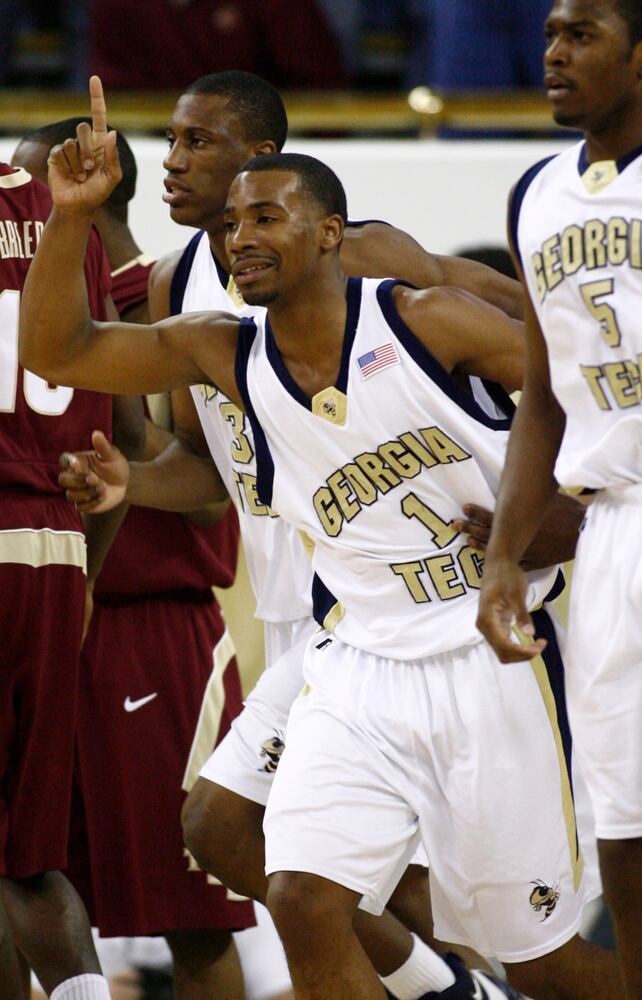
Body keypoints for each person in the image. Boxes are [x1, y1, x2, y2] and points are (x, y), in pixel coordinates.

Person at [19, 79, 613, 1000]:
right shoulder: (217, 338)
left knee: (540, 958)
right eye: (232, 226)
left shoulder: (415, 311)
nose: (239, 237)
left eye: (263, 217)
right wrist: (68, 220)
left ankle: (463, 983)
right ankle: (446, 989)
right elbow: (61, 351)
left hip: (485, 646)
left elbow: (567, 379)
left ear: (329, 231)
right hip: (351, 647)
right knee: (288, 884)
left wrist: (577, 508)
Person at [12, 120, 257, 1000]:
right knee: (24, 875)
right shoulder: (43, 308)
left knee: (191, 915)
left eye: (33, 183)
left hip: (153, 629)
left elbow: (208, 483)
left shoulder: (169, 303)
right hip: (51, 621)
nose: (22, 204)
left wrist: (110, 462)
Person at [476, 2, 642, 998]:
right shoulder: (536, 194)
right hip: (614, 529)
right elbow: (542, 392)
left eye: (582, 35)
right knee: (621, 810)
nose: (553, 54)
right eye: (549, 34)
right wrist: (504, 554)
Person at [0, 149, 144, 1000]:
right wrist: (85, 575)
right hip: (51, 545)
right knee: (26, 858)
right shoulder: (65, 218)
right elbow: (120, 432)